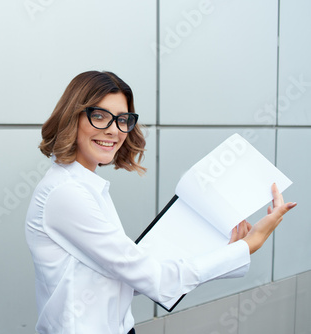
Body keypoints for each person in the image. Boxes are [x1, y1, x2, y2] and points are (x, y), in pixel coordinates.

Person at [24, 70, 296, 334]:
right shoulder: (66, 193)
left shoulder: (87, 187)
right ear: (72, 117)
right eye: (99, 116)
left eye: (122, 119)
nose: (113, 130)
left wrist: (225, 251)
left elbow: (131, 278)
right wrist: (248, 246)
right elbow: (154, 279)